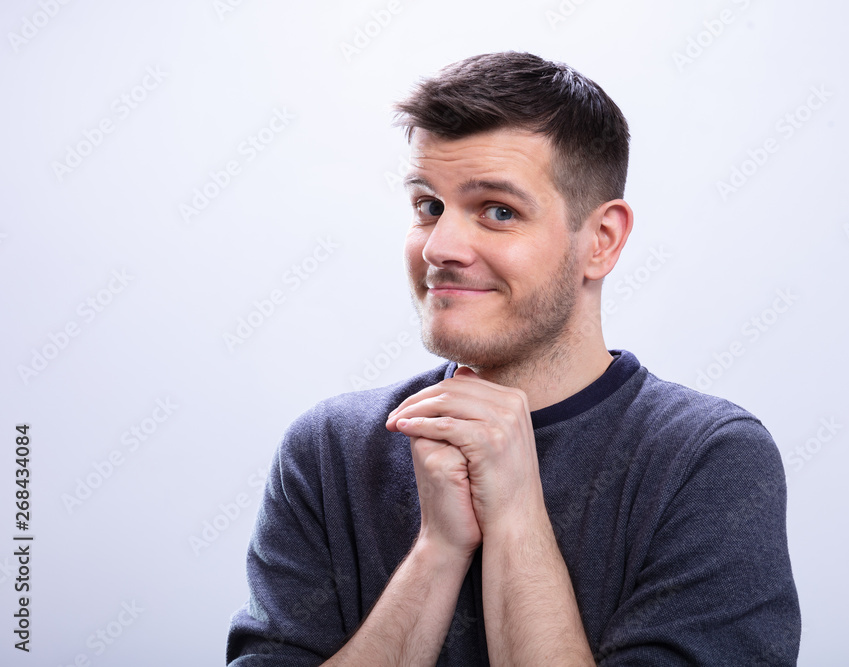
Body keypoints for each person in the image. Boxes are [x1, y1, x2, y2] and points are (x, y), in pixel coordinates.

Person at [227, 51, 800, 666]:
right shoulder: (330, 449)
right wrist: (439, 550)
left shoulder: (707, 459)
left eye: (498, 211)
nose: (441, 247)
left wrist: (517, 517)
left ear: (600, 241)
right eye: (429, 207)